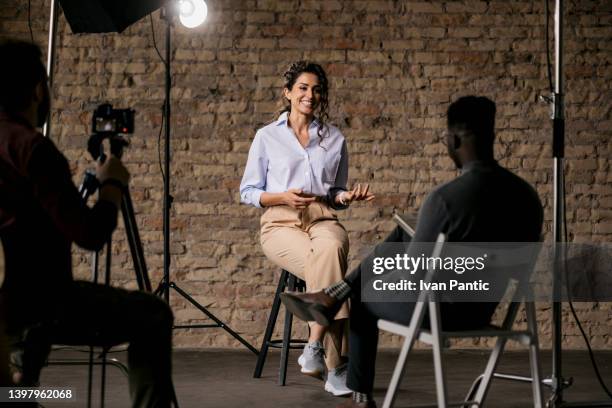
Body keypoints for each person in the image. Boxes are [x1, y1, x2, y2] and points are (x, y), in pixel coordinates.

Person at [281, 96, 544, 407]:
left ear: (453, 139)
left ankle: (360, 395)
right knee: (404, 236)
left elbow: (416, 275)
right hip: (484, 309)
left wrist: (383, 273)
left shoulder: (446, 200)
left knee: (364, 293)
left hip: (438, 312)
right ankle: (334, 294)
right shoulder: (527, 196)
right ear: (492, 136)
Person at [0, 39, 175, 407]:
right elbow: (90, 234)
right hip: (43, 301)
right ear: (36, 89)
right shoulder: (33, 149)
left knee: (17, 391)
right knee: (153, 313)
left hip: (9, 302)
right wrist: (111, 185)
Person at [240, 61, 374, 396]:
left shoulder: (334, 139)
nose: (309, 95)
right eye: (302, 87)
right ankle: (334, 368)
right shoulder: (267, 137)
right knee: (333, 271)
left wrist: (347, 196)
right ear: (288, 92)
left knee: (330, 247)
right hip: (280, 221)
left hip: (322, 218)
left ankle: (313, 344)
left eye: (316, 89)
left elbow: (333, 193)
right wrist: (282, 196)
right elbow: (248, 192)